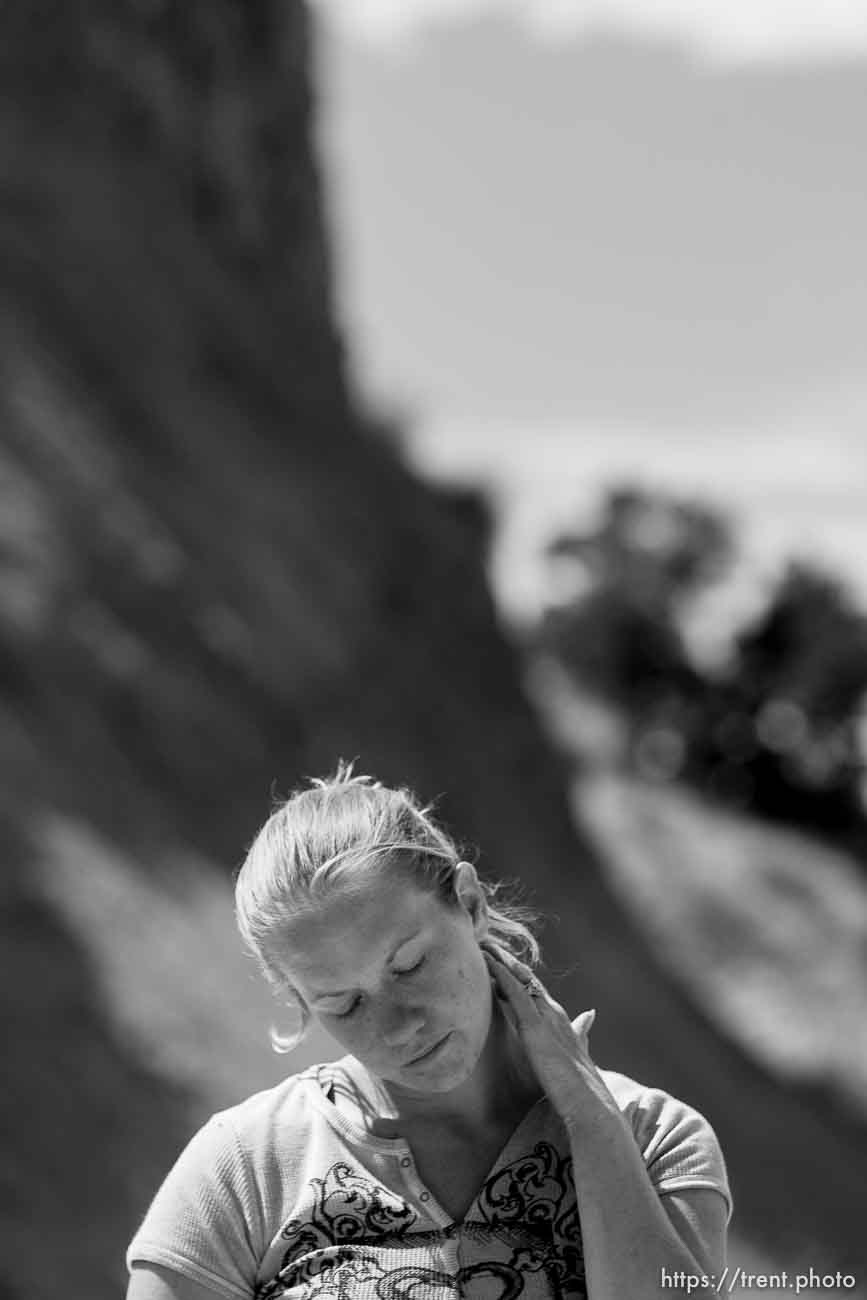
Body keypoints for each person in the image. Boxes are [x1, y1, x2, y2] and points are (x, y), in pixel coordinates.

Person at [126, 764, 731, 1300]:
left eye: (410, 965)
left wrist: (591, 1119)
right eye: (344, 1004)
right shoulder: (245, 1166)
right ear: (299, 1001)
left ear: (469, 904)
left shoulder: (653, 1139)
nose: (399, 1026)